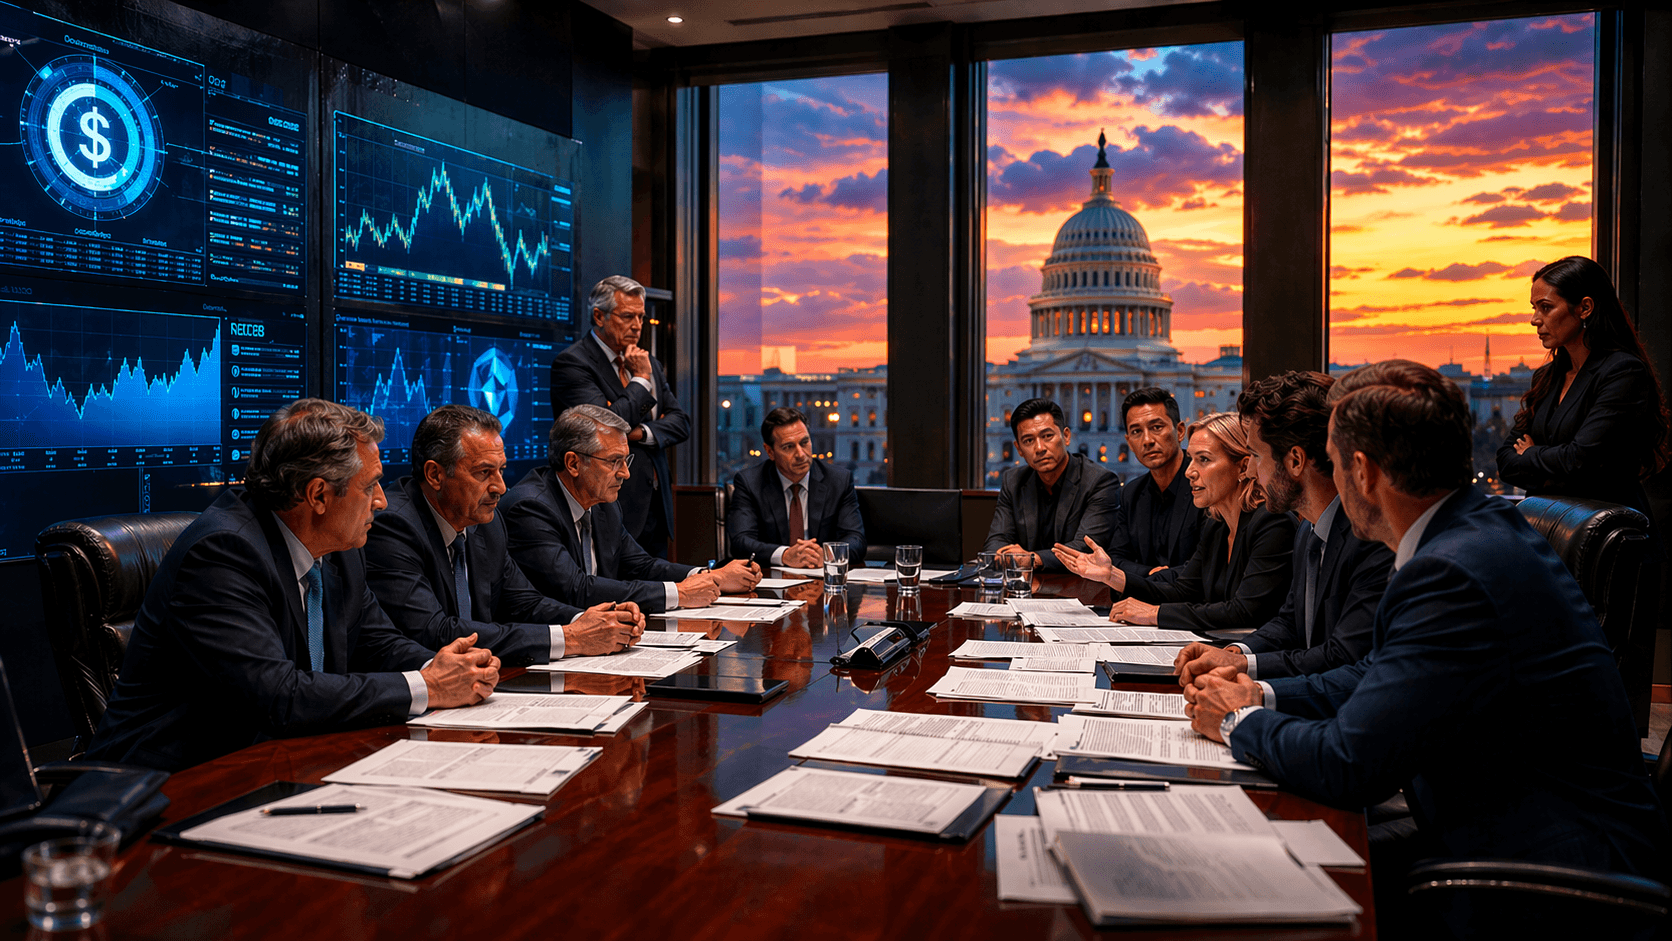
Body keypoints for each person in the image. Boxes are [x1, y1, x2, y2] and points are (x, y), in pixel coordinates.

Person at [1186, 361, 1665, 936]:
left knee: (1234, 876)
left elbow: (1347, 764)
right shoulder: (1473, 532)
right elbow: (1370, 674)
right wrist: (1259, 693)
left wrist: (1237, 720)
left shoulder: (1451, 572)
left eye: (1334, 464)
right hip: (1498, 829)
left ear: (1361, 472)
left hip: (1543, 881)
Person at [85, 399, 500, 772]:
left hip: (286, 762)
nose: (382, 501)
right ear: (318, 495)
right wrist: (428, 687)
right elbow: (278, 697)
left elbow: (379, 642)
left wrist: (451, 668)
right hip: (173, 784)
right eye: (370, 485)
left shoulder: (340, 546)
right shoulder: (224, 553)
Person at [364, 404, 645, 667]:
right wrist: (570, 638)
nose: (499, 487)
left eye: (501, 471)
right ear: (435, 475)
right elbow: (434, 631)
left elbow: (525, 602)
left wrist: (592, 621)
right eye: (484, 473)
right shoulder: (394, 526)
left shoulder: (487, 521)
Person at [1172, 372, 1393, 682]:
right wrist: (1236, 654)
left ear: (1295, 461)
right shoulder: (1308, 530)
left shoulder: (1370, 538)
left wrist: (1254, 686)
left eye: (1256, 456)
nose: (1248, 469)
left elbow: (1343, 657)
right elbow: (1289, 622)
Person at [504, 405, 761, 611]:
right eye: (614, 462)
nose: (625, 474)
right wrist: (678, 593)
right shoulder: (530, 508)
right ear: (573, 463)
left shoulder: (605, 505)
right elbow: (576, 589)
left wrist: (708, 575)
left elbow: (641, 565)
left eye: (626, 460)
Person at [1056, 411, 1293, 631]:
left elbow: (1245, 611)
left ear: (1243, 466)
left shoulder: (1272, 523)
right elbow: (1182, 590)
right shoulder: (1216, 525)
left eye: (1204, 460)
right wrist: (1111, 576)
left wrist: (1156, 614)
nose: (1189, 471)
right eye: (1191, 459)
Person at [1496, 255, 1670, 515]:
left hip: (1607, 540)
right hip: (1551, 533)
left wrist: (1531, 455)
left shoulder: (1623, 373)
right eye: (1534, 307)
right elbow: (1506, 461)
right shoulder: (1546, 378)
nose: (1534, 319)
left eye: (1545, 307)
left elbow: (1581, 461)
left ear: (1585, 308)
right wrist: (1558, 463)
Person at [550, 275, 690, 556]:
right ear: (599, 316)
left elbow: (680, 422)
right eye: (627, 316)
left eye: (641, 317)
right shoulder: (573, 363)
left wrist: (640, 432)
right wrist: (640, 380)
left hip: (655, 502)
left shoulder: (648, 361)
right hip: (609, 502)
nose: (637, 326)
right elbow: (600, 426)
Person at [982, 398, 1122, 572]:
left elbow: (1086, 548)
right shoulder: (1013, 481)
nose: (1039, 448)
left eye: (1047, 436)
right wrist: (1003, 555)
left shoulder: (1100, 481)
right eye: (1028, 441)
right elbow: (997, 541)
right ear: (1019, 449)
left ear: (1066, 436)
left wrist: (1032, 559)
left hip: (1080, 588)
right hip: (1025, 587)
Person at [727, 406, 866, 568]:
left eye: (804, 442)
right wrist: (785, 555)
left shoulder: (838, 480)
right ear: (770, 451)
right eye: (788, 447)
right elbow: (741, 542)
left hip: (824, 578)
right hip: (772, 581)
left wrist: (827, 555)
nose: (801, 454)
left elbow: (856, 539)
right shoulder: (750, 483)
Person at [1106, 387, 1204, 581]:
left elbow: (1205, 567)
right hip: (1141, 602)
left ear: (1180, 431)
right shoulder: (1131, 493)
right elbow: (1116, 560)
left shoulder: (1204, 484)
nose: (1147, 440)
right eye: (1136, 432)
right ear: (1129, 441)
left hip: (1192, 606)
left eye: (1157, 428)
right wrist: (1149, 574)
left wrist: (1154, 578)